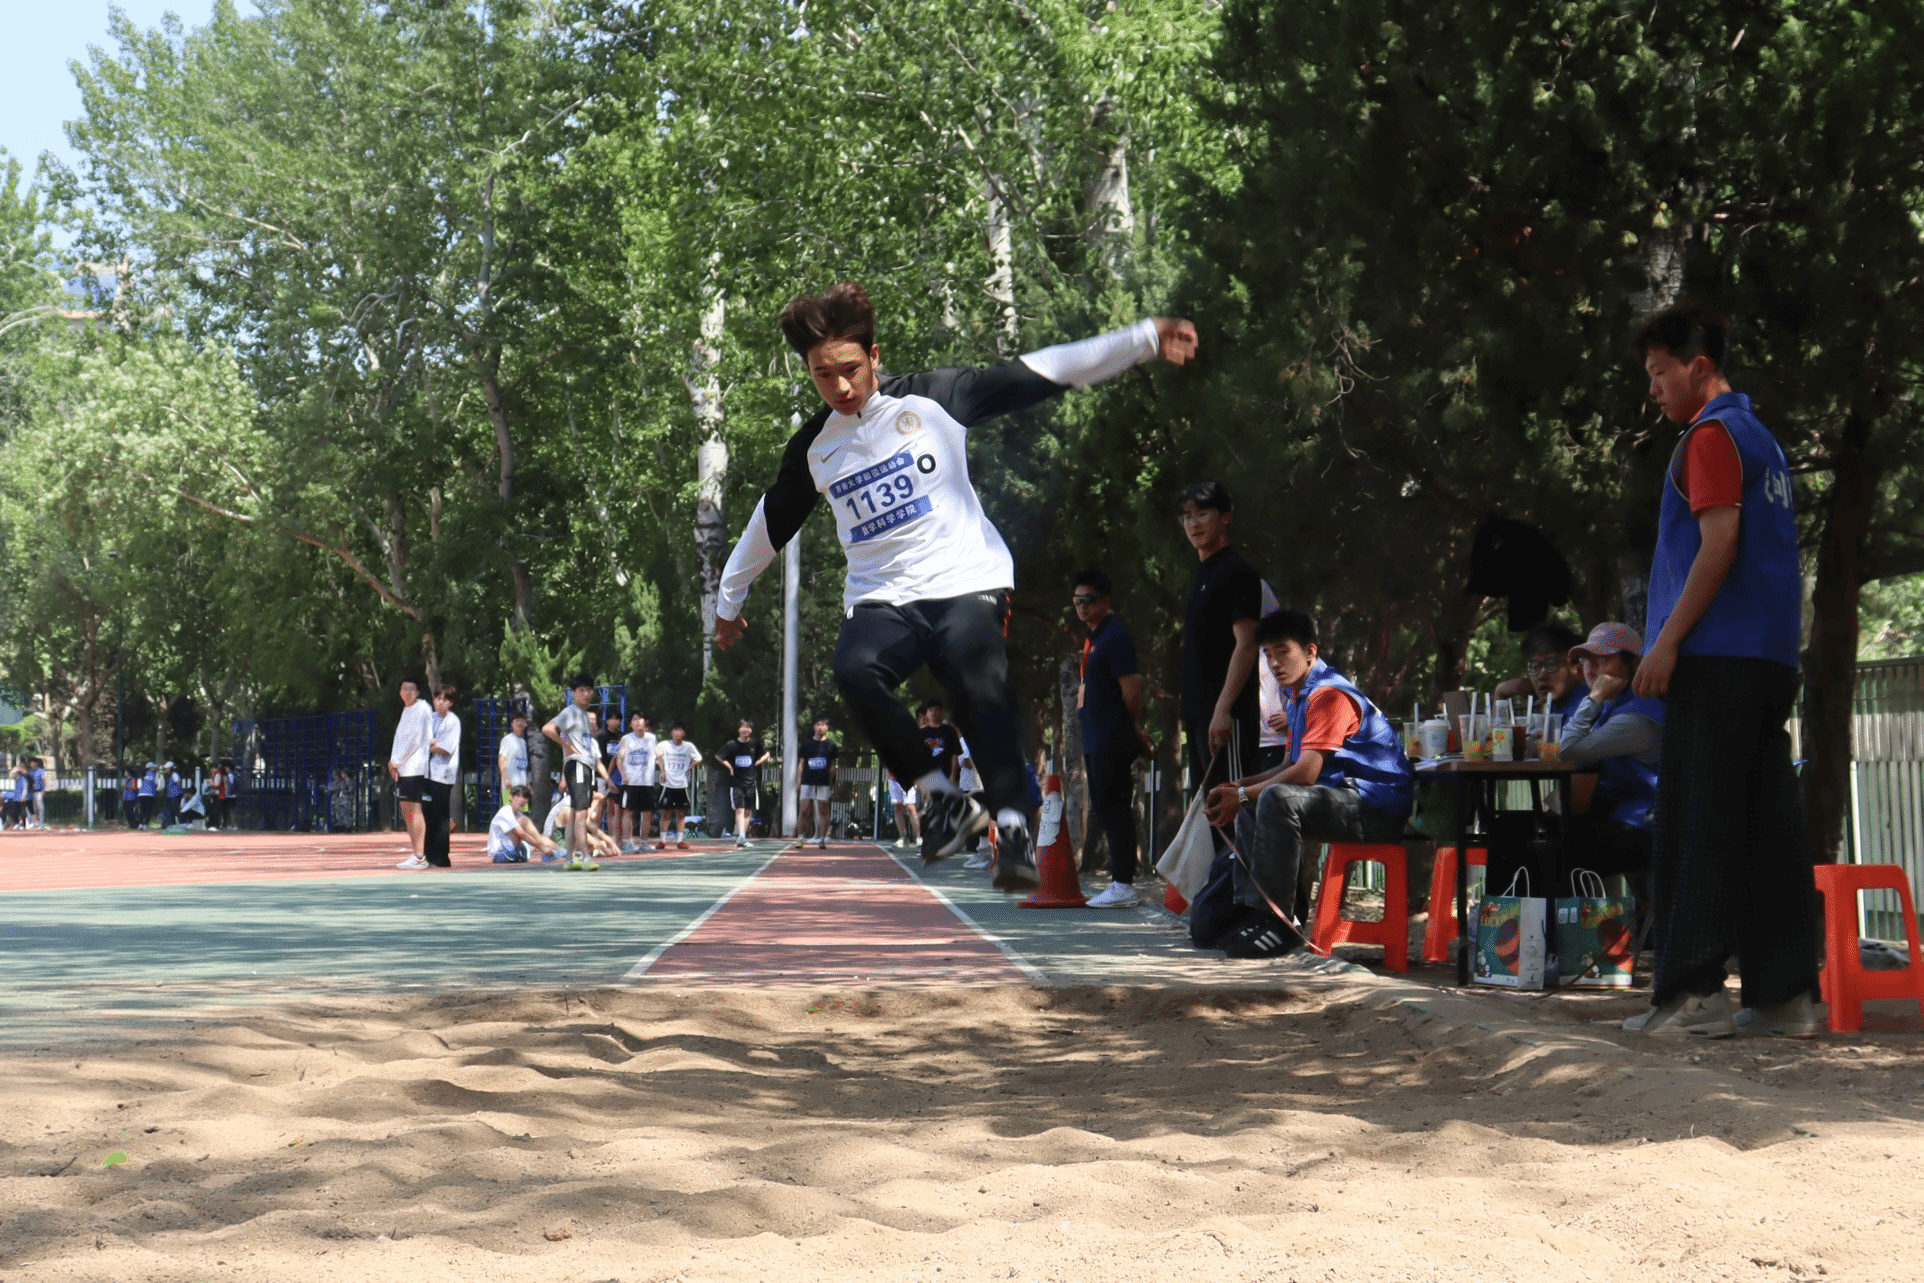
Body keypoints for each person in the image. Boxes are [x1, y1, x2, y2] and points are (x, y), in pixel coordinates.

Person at [713, 281, 1198, 889]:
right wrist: (727, 602)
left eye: (850, 369)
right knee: (854, 670)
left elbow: (1043, 371)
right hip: (883, 596)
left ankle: (1013, 827)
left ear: (874, 356)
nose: (840, 388)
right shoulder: (816, 447)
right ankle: (942, 800)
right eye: (822, 375)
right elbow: (769, 521)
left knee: (977, 683)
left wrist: (1145, 337)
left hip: (966, 579)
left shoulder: (936, 397)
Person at [1625, 302, 1819, 1039]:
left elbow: (1719, 542)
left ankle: (1692, 994)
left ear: (1699, 368)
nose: (1654, 389)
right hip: (1771, 658)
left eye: (1660, 373)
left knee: (1696, 818)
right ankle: (1785, 997)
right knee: (1768, 825)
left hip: (1715, 656)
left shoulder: (1710, 436)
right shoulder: (1763, 440)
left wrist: (1665, 642)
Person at [1202, 610, 1414, 958]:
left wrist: (1241, 794)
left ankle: (1282, 925)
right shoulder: (1297, 696)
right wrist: (1238, 786)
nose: (1274, 663)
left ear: (1310, 652)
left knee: (1275, 799)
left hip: (1376, 810)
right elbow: (1289, 765)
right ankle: (1257, 913)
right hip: (1345, 800)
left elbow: (1306, 773)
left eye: (1283, 651)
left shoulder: (1329, 695)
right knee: (1255, 802)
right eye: (1268, 655)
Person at [1180, 481, 1263, 829]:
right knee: (1211, 816)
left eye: (1202, 514)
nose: (1193, 524)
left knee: (1233, 812)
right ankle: (1220, 871)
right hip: (1198, 712)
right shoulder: (1202, 573)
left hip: (1227, 716)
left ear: (1226, 517)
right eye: (1187, 517)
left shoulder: (1238, 572)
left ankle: (1243, 869)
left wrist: (1223, 708)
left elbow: (1247, 644)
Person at [1072, 569, 1156, 908]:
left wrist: (1131, 726)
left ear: (1105, 601)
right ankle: (1119, 882)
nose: (1082, 607)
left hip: (1112, 736)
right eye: (1077, 601)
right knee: (1104, 805)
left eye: (1088, 600)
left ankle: (1124, 884)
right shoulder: (1093, 638)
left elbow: (1132, 687)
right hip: (1096, 736)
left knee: (1114, 805)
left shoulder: (1115, 635)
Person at [1557, 622, 1663, 878]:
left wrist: (1594, 697)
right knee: (1521, 830)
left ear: (1635, 663)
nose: (1591, 667)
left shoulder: (1636, 717)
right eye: (1586, 658)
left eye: (1603, 658)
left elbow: (1566, 749)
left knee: (1547, 846)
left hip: (1644, 828)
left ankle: (1548, 910)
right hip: (1614, 817)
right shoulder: (1613, 706)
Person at [543, 676, 609, 871]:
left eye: (589, 690)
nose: (586, 694)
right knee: (581, 813)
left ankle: (570, 859)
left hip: (583, 766)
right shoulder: (570, 712)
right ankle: (586, 857)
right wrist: (567, 746)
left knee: (574, 813)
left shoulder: (584, 715)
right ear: (573, 693)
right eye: (581, 690)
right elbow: (548, 729)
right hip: (578, 765)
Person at [410, 683, 460, 869]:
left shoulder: (453, 722)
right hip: (426, 774)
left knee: (440, 817)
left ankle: (441, 857)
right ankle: (426, 854)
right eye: (438, 699)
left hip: (442, 775)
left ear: (450, 703)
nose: (440, 703)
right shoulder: (430, 718)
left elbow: (444, 748)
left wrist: (428, 744)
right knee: (426, 814)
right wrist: (429, 743)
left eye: (445, 700)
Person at [1493, 623, 1588, 718]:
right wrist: (1500, 692)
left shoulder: (1586, 708)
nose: (1542, 675)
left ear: (1579, 670)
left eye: (1551, 665)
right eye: (1535, 666)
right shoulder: (1556, 702)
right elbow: (1499, 728)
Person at [388, 679, 434, 869]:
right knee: (406, 810)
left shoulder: (421, 709)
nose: (407, 692)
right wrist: (393, 762)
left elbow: (415, 740)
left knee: (414, 810)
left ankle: (420, 856)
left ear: (418, 692)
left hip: (415, 767)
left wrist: (396, 761)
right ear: (399, 692)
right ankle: (416, 854)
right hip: (403, 768)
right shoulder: (406, 711)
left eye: (411, 689)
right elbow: (399, 739)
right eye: (404, 689)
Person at [714, 721, 770, 847]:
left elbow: (766, 753)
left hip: (751, 782)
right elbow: (718, 756)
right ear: (738, 729)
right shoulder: (732, 744)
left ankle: (743, 836)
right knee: (739, 809)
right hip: (736, 782)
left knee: (748, 810)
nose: (745, 730)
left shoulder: (755, 743)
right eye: (743, 727)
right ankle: (741, 835)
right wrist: (729, 767)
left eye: (748, 727)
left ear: (751, 730)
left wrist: (760, 761)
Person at [618, 711, 659, 853]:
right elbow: (619, 759)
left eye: (640, 719)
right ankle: (627, 843)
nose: (638, 722)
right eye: (634, 719)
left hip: (647, 782)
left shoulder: (652, 738)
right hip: (631, 782)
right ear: (630, 724)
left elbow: (658, 755)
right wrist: (623, 774)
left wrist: (664, 771)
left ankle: (644, 843)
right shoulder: (626, 739)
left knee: (647, 813)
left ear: (644, 722)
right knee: (629, 812)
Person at [488, 784, 560, 863]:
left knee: (535, 839)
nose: (522, 799)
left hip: (514, 852)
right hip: (500, 853)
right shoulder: (506, 811)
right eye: (518, 796)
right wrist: (543, 848)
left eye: (525, 797)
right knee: (524, 822)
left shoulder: (519, 814)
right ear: (510, 797)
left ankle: (561, 851)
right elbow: (521, 833)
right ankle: (552, 851)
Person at [796, 715, 838, 849]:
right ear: (814, 727)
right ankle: (800, 838)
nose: (820, 727)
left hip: (823, 782)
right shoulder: (806, 744)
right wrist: (798, 781)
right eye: (818, 724)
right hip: (807, 782)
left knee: (823, 810)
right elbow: (801, 764)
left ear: (827, 728)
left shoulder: (831, 745)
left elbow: (833, 766)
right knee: (804, 810)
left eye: (823, 725)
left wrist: (831, 783)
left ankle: (823, 838)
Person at [160, 761, 183, 828]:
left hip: (176, 795)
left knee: (175, 810)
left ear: (170, 768)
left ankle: (180, 823)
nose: (166, 770)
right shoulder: (169, 776)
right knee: (172, 810)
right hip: (171, 796)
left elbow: (179, 783)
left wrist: (180, 791)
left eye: (167, 768)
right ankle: (172, 824)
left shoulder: (174, 775)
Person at [137, 760, 158, 828]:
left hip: (141, 794)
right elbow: (157, 784)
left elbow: (138, 785)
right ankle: (145, 824)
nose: (154, 768)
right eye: (153, 767)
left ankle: (140, 824)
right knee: (148, 810)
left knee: (142, 810)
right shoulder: (154, 774)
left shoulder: (142, 774)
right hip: (150, 794)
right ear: (150, 768)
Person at [29, 757, 46, 828]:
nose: (31, 764)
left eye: (33, 763)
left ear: (36, 763)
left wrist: (43, 790)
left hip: (39, 791)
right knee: (33, 808)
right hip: (32, 792)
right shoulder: (30, 772)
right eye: (31, 763)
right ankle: (35, 823)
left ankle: (41, 823)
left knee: (40, 807)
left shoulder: (41, 771)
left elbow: (44, 780)